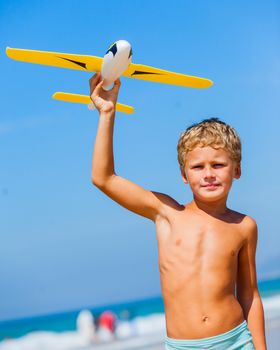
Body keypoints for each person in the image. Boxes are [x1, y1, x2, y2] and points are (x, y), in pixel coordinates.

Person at [89, 72, 267, 350]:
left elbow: (249, 295)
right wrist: (107, 113)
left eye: (218, 165)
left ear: (237, 170)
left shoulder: (244, 226)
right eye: (198, 167)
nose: (208, 174)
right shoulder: (167, 213)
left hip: (236, 341)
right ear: (184, 175)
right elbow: (104, 178)